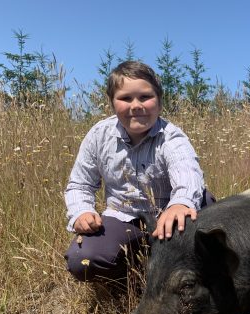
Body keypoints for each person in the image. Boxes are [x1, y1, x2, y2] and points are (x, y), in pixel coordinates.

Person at [64, 60, 214, 290]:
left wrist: (180, 204)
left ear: (159, 101)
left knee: (207, 231)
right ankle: (133, 284)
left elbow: (188, 174)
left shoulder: (171, 137)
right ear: (112, 103)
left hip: (171, 216)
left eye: (145, 97)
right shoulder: (98, 135)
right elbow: (79, 185)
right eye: (125, 98)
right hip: (124, 216)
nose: (136, 105)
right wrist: (81, 211)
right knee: (82, 260)